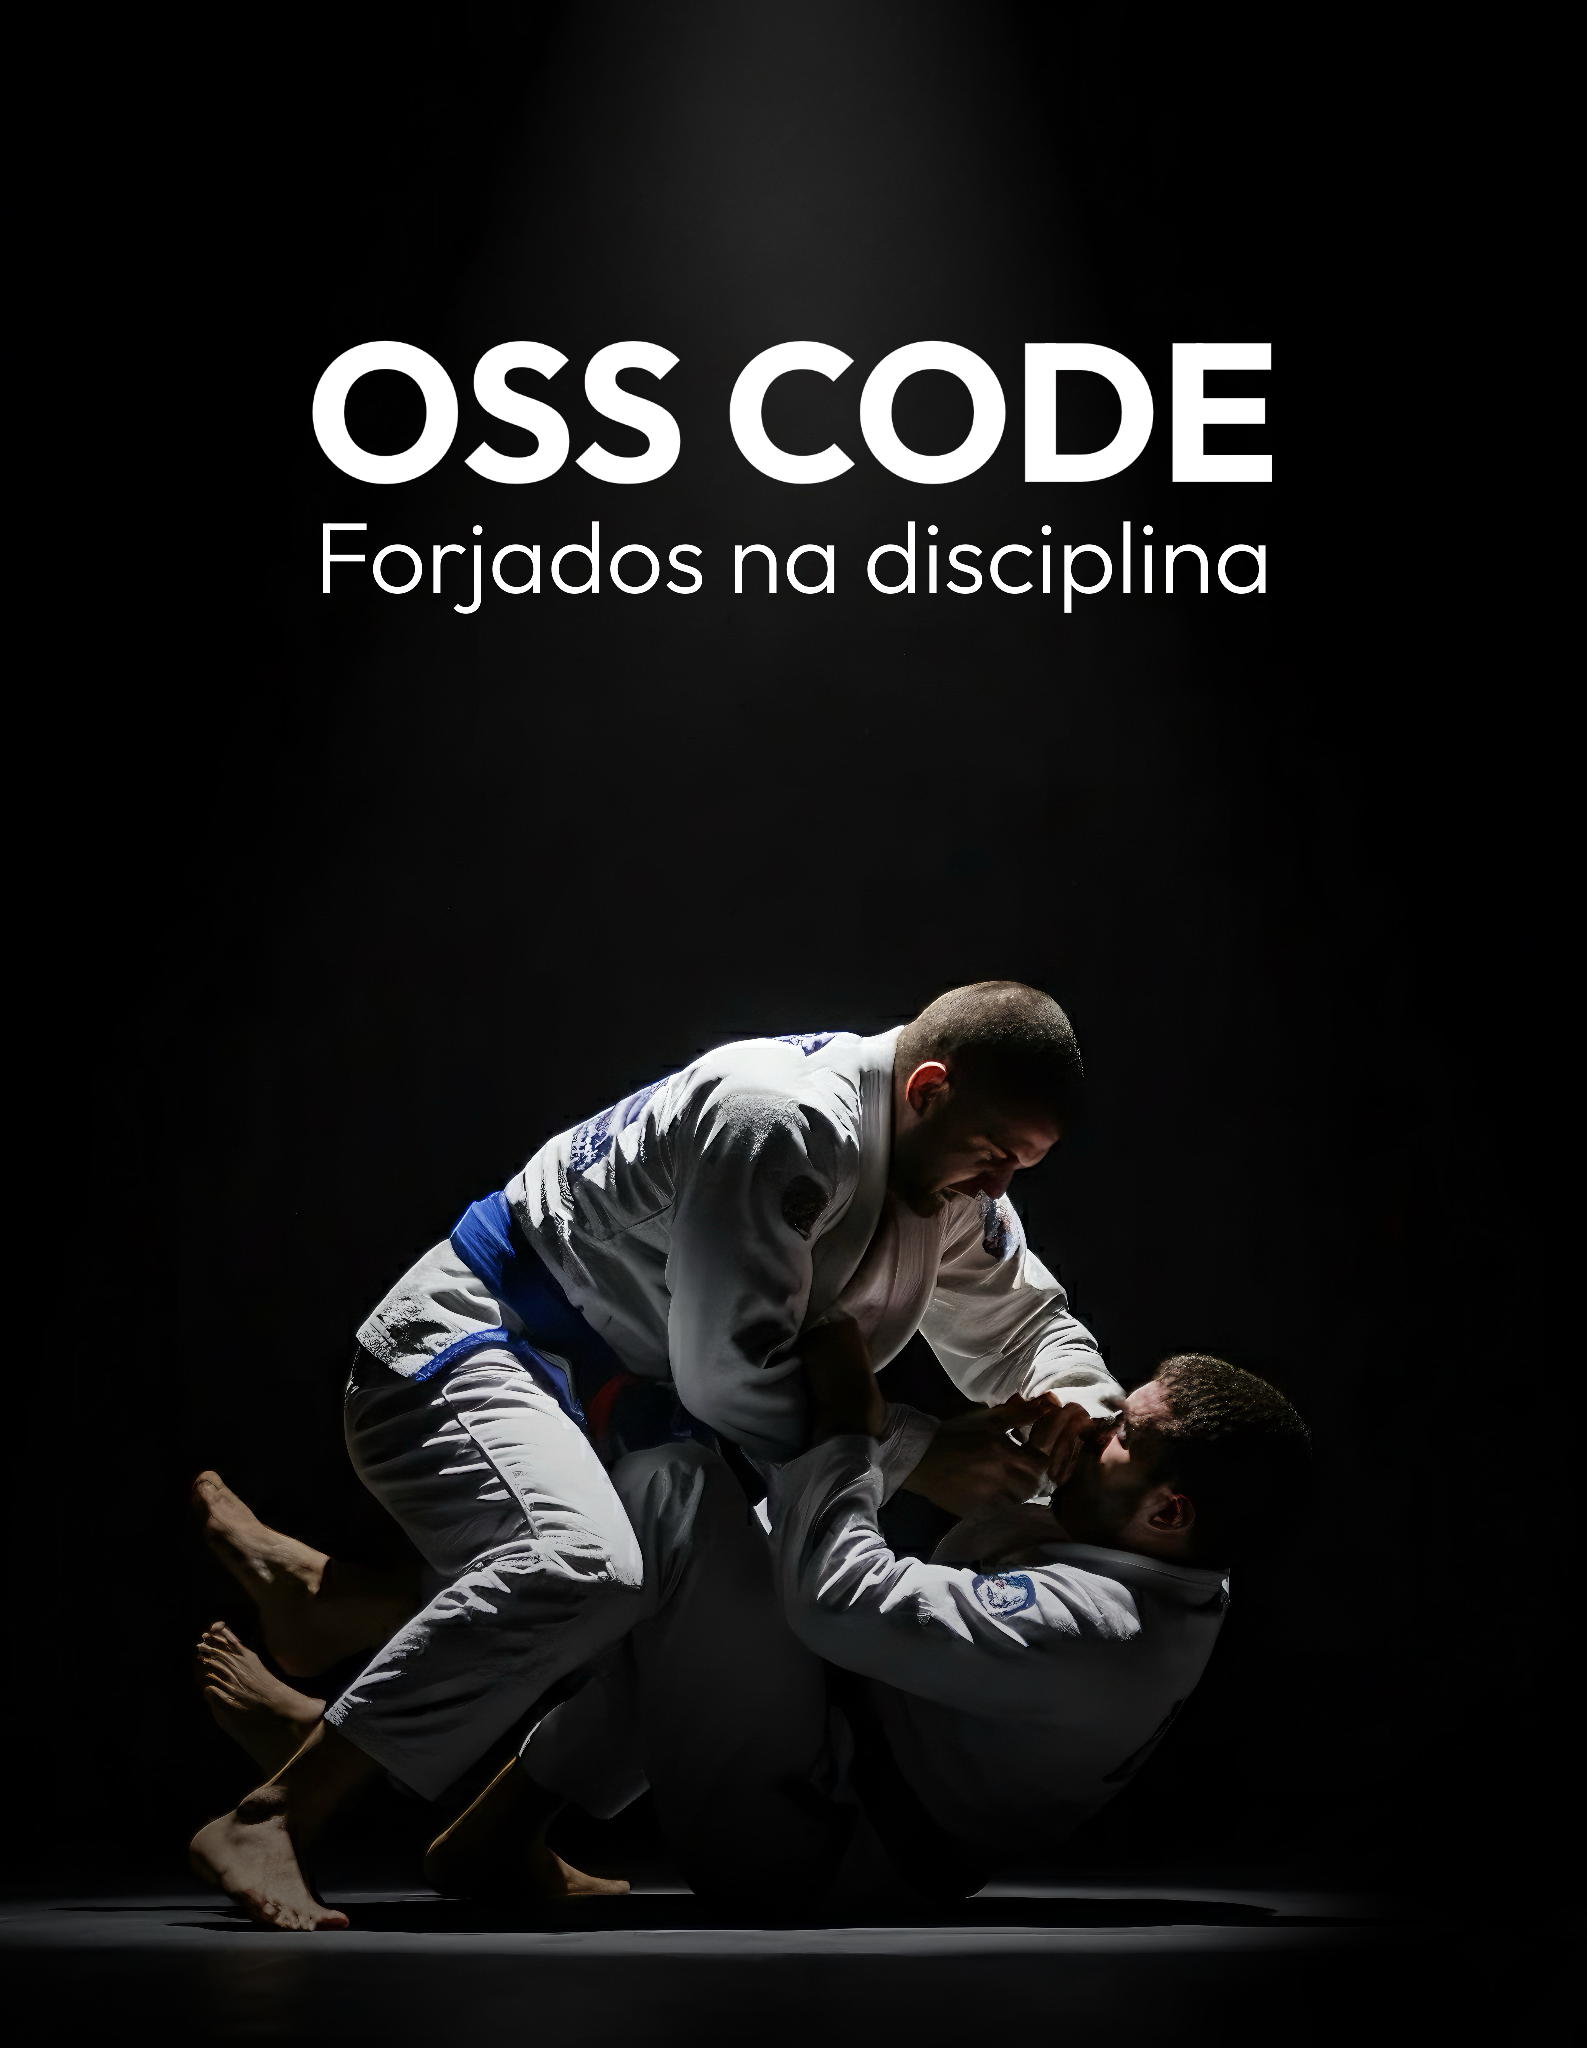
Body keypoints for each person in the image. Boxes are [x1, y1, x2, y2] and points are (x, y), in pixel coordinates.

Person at [190, 982, 1123, 1928]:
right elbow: (728, 1375)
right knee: (582, 1566)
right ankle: (273, 1811)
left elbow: (1026, 1326)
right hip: (477, 1346)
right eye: (995, 1156)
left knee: (724, 1604)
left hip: (611, 1405)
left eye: (1022, 1167)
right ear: (926, 1089)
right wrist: (918, 1454)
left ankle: (480, 1814)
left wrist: (1087, 1418)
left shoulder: (944, 1174)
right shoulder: (783, 1119)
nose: (999, 1188)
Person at [193, 1344, 1308, 1906]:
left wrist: (851, 1425)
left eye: (1124, 1432)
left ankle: (344, 1701)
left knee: (675, 1494)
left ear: (1168, 1510)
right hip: (838, 1756)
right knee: (711, 1546)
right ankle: (450, 1806)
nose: (1101, 1421)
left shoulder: (1103, 1628)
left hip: (809, 1847)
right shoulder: (1168, 1560)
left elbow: (839, 1597)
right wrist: (982, 1446)